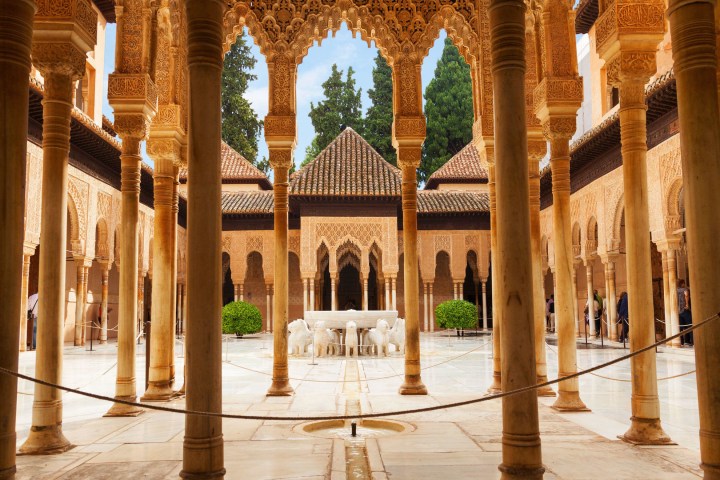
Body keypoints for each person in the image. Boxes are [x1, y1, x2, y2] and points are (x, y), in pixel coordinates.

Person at [677, 279, 693, 346]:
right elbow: (686, 295)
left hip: (679, 311)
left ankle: (682, 341)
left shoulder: (676, 290)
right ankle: (691, 341)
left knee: (681, 326)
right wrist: (687, 304)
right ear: (682, 283)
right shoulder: (684, 289)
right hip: (685, 309)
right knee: (689, 325)